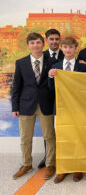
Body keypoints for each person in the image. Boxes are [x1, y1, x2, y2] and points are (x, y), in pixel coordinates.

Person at [11, 33, 57, 180]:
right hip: (25, 105)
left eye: (38, 42)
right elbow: (16, 86)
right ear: (28, 45)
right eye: (32, 43)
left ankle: (50, 164)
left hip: (46, 104)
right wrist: (15, 107)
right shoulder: (21, 63)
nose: (35, 45)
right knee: (25, 138)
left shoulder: (53, 61)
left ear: (43, 44)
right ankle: (26, 164)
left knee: (49, 136)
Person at [48, 37, 86, 183]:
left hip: (78, 109)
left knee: (78, 137)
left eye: (71, 47)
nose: (68, 50)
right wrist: (50, 77)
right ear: (62, 48)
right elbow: (51, 89)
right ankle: (63, 169)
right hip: (60, 108)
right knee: (62, 139)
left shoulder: (83, 66)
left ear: (76, 48)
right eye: (65, 47)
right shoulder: (55, 66)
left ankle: (78, 167)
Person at [38, 28, 64, 169]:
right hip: (47, 99)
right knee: (48, 131)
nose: (54, 42)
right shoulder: (40, 56)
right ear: (46, 40)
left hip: (65, 99)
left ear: (59, 40)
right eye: (51, 39)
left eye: (56, 39)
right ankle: (48, 156)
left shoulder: (67, 54)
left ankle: (63, 156)